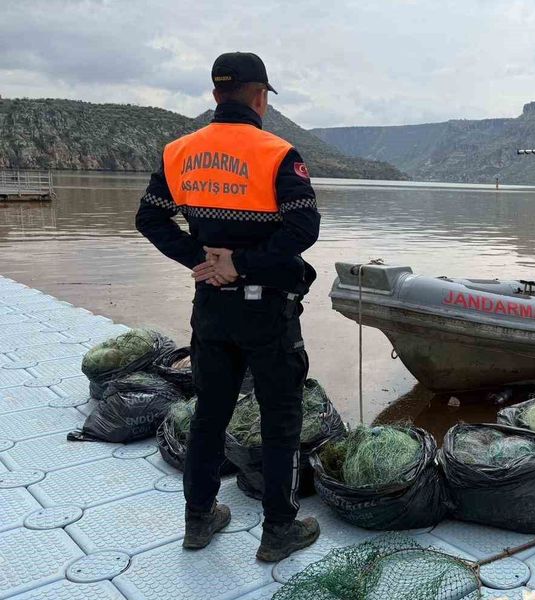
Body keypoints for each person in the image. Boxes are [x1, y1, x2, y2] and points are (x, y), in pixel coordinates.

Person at [136, 52, 321, 562]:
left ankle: (198, 520)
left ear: (216, 95)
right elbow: (304, 230)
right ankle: (278, 531)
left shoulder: (179, 152)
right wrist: (242, 263)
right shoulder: (278, 153)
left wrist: (201, 259)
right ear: (260, 96)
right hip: (267, 311)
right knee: (281, 419)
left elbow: (149, 220)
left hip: (212, 307)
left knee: (209, 414)